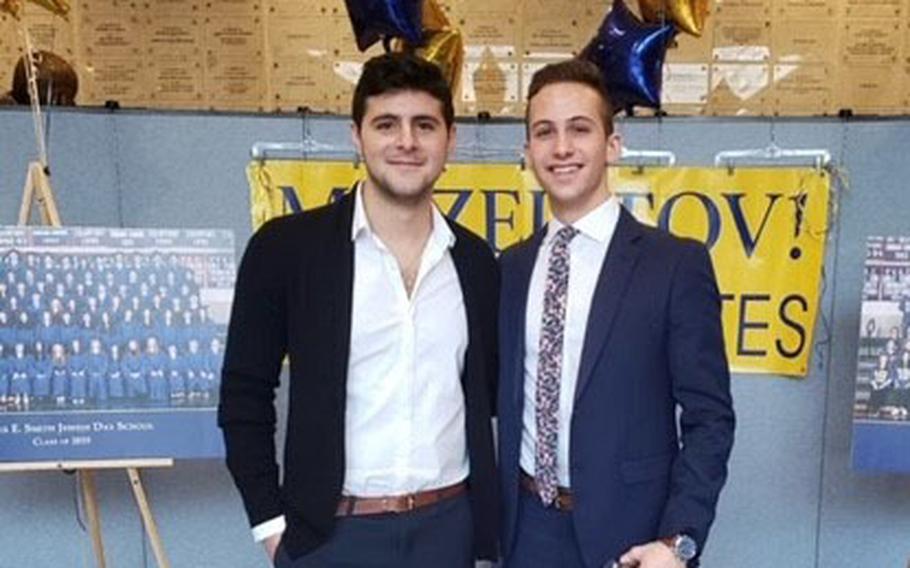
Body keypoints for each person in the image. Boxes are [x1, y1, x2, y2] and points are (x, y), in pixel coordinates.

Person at [218, 52, 499, 568]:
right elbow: (243, 394)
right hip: (329, 536)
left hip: (448, 530)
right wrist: (271, 526)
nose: (407, 142)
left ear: (450, 140)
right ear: (356, 135)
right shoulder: (286, 249)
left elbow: (496, 396)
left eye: (425, 125)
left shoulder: (477, 262)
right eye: (386, 124)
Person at [497, 59, 735, 568]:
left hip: (633, 540)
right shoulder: (510, 268)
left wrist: (678, 541)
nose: (562, 148)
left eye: (579, 129)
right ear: (527, 152)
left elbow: (709, 419)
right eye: (545, 132)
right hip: (523, 534)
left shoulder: (675, 264)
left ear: (612, 144)